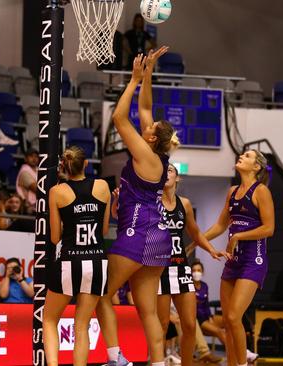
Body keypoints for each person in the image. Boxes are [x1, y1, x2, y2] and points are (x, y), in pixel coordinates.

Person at [105, 47, 178, 366]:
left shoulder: (145, 156)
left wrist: (133, 80)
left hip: (139, 231)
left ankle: (115, 356)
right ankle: (158, 362)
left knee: (102, 295)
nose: (145, 124)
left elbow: (119, 117)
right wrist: (148, 75)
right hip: (159, 236)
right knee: (146, 309)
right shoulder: (158, 155)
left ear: (150, 139)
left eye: (148, 128)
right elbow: (145, 107)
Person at [204, 149, 275, 366]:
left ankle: (243, 364)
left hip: (254, 260)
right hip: (233, 261)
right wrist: (199, 240)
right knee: (228, 321)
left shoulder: (261, 191)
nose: (241, 157)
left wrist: (238, 237)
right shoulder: (232, 191)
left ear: (256, 167)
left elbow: (269, 228)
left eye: (247, 156)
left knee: (234, 317)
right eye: (242, 154)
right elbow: (220, 225)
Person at [43, 146, 111, 365]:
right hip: (97, 261)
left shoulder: (57, 191)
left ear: (64, 167)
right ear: (86, 164)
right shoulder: (103, 186)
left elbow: (54, 238)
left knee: (50, 319)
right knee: (81, 324)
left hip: (70, 260)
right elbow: (103, 230)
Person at [155, 164, 226, 366]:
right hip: (160, 268)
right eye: (163, 170)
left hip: (181, 268)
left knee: (189, 325)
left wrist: (211, 249)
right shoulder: (152, 202)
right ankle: (157, 362)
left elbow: (195, 233)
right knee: (162, 325)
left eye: (170, 170)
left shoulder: (184, 204)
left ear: (177, 178)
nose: (166, 173)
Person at [191, 261, 258, 363]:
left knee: (230, 321)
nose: (196, 273)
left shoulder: (204, 286)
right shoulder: (189, 286)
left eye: (199, 270)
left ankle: (243, 348)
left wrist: (210, 317)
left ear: (202, 272)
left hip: (207, 316)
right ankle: (243, 353)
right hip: (198, 319)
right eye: (194, 270)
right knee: (220, 331)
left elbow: (206, 304)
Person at [16, 148, 38, 212]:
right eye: (31, 156)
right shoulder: (24, 172)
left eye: (36, 156)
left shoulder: (38, 170)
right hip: (28, 207)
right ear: (25, 159)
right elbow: (37, 189)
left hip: (37, 205)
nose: (34, 159)